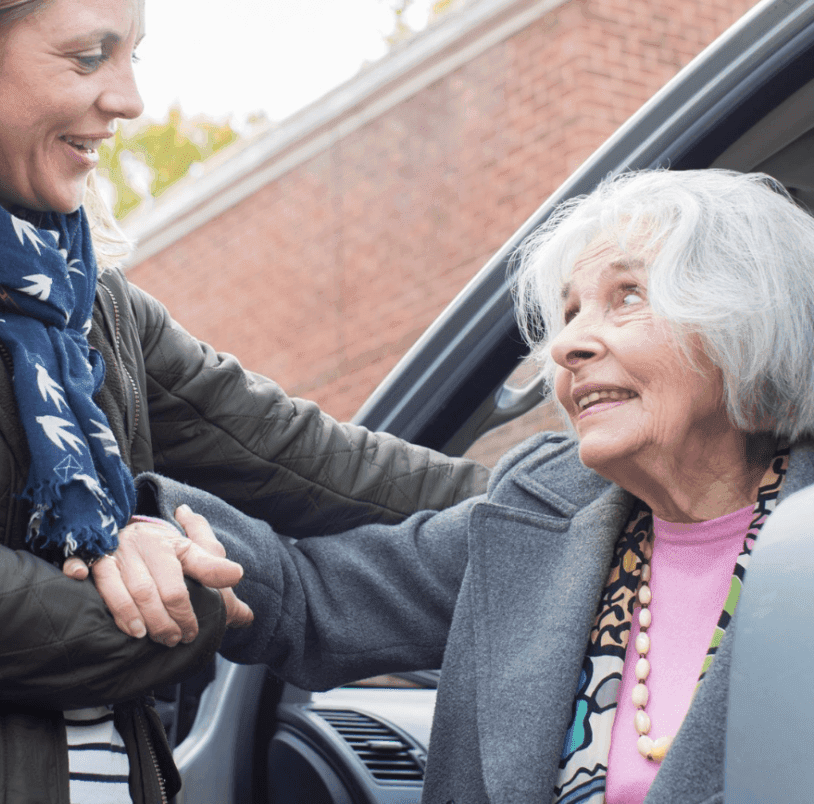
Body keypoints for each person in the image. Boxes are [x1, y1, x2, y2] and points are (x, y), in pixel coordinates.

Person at [0, 0, 484, 804]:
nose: (128, 99)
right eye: (89, 57)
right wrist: (194, 605)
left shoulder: (85, 302)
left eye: (132, 56)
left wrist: (597, 497)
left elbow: (317, 467)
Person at [144, 168, 814, 804]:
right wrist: (149, 534)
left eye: (626, 296)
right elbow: (311, 600)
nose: (567, 346)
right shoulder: (546, 508)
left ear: (745, 321)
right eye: (570, 312)